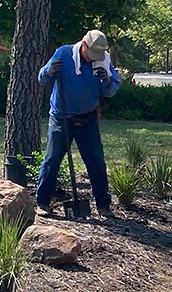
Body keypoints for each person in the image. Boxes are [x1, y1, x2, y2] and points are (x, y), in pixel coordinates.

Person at [35, 29, 121, 218]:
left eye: (96, 56)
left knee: (97, 162)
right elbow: (41, 78)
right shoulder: (63, 53)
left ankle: (103, 205)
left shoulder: (103, 60)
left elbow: (112, 90)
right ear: (83, 44)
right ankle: (42, 202)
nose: (93, 59)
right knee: (52, 160)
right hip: (61, 118)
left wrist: (106, 81)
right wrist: (49, 71)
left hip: (88, 118)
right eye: (91, 54)